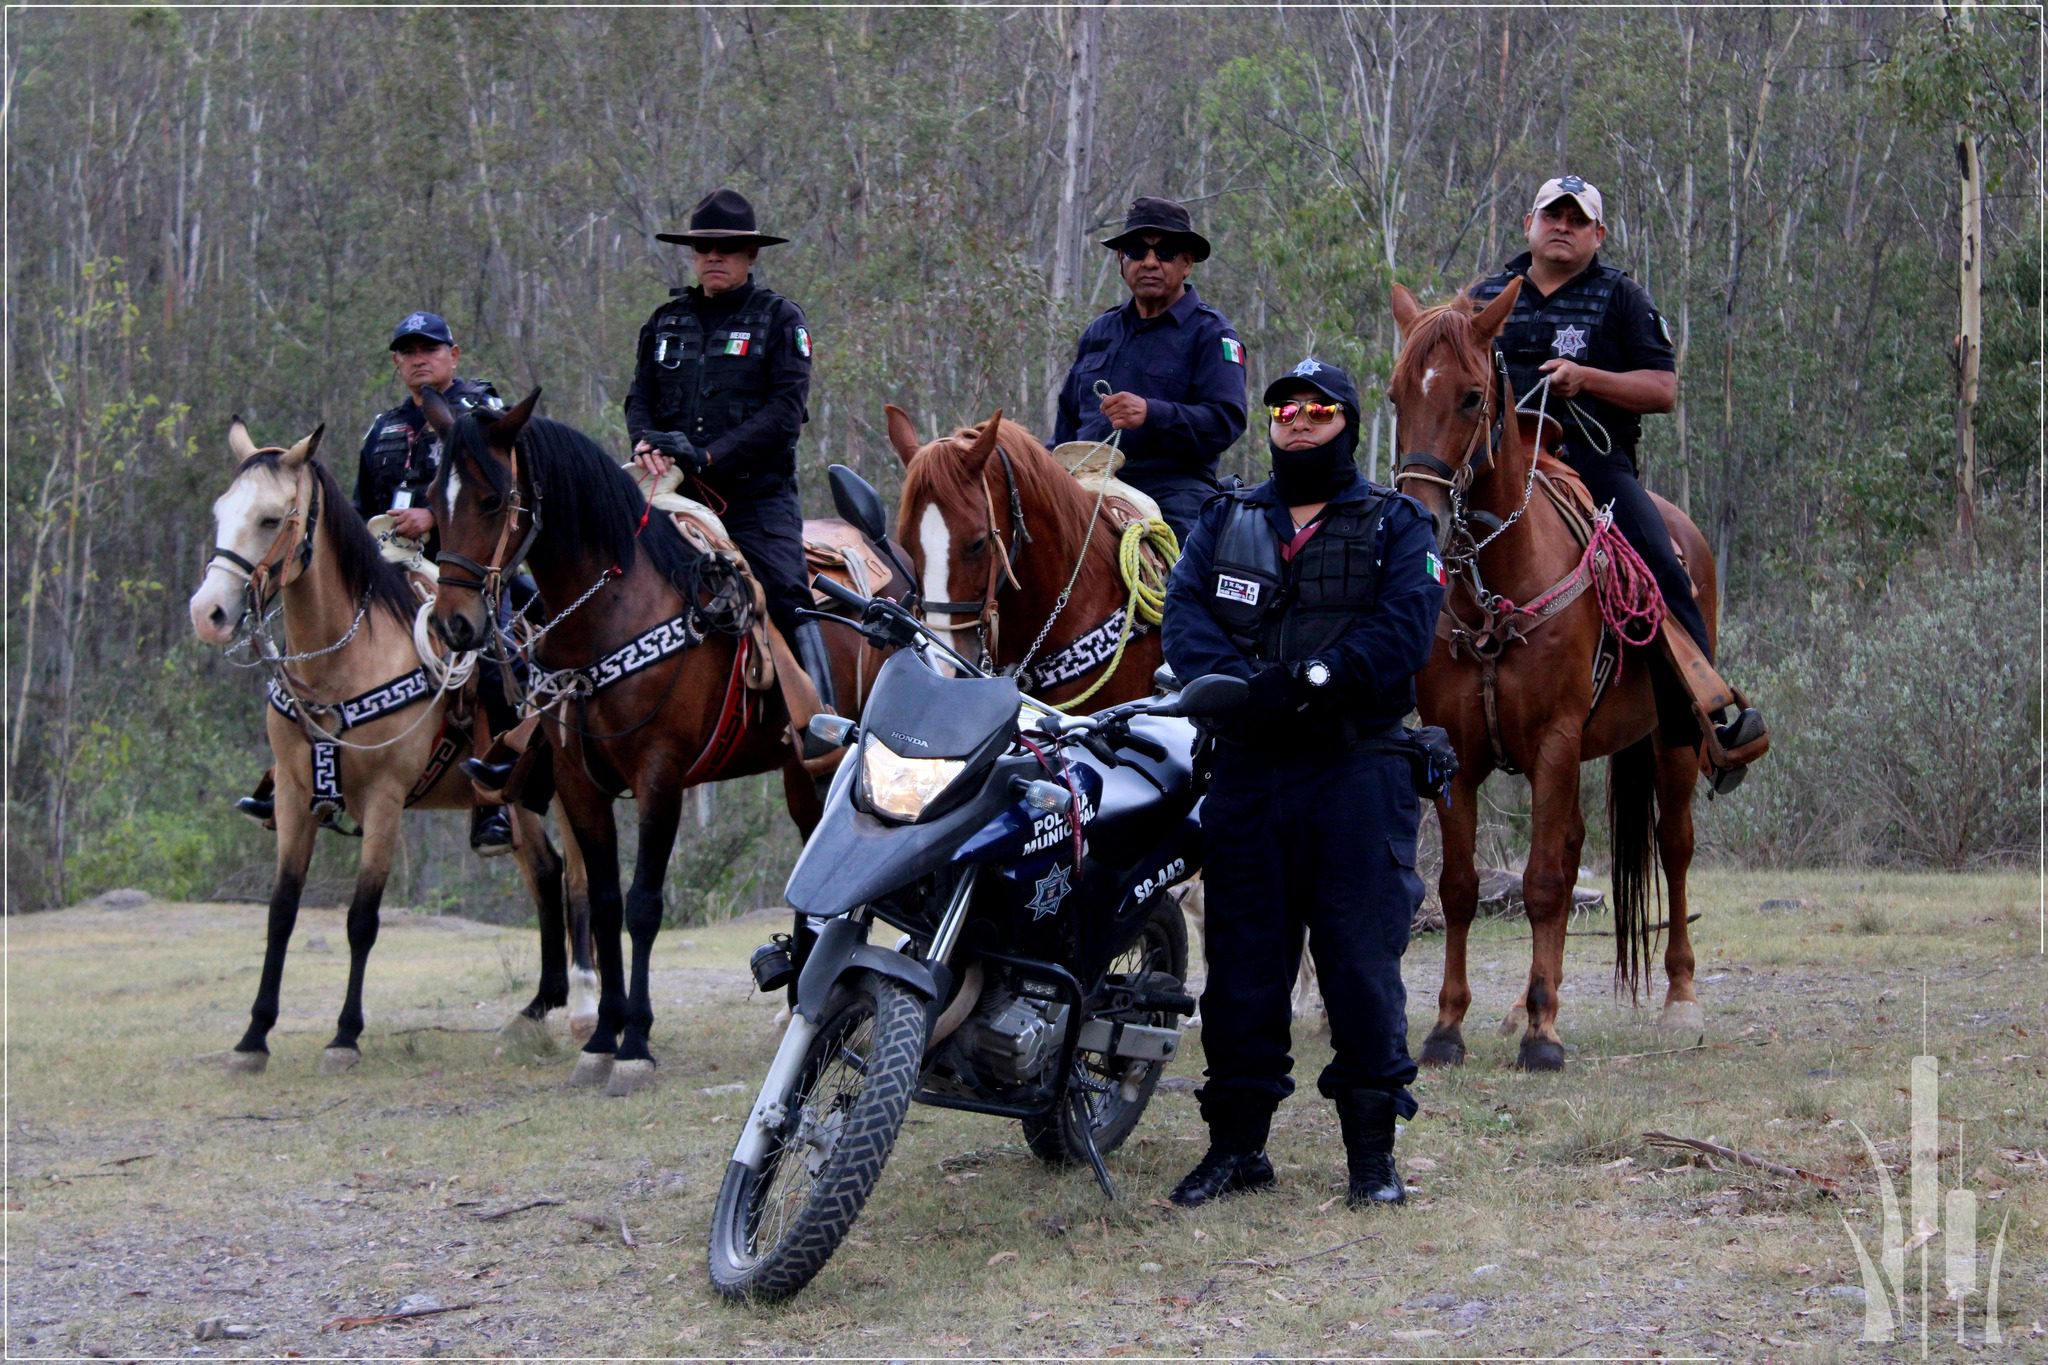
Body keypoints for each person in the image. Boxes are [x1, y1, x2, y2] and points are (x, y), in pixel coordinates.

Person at [1161, 358, 1444, 1210]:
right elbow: (1185, 620)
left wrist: (1313, 680)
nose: (1298, 418)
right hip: (1250, 772)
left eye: (1319, 409)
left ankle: (1371, 1159)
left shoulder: (1400, 526)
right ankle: (1238, 1150)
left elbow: (1403, 635)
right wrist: (1248, 696)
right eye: (1285, 407)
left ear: (1349, 425)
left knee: (1360, 969)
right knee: (1243, 974)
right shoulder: (1226, 519)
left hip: (1356, 772)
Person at [1471, 175, 1766, 790]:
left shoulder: (1621, 296)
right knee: (1412, 542)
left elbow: (1661, 390)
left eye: (1577, 220)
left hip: (1591, 465)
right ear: (1529, 222)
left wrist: (1588, 378)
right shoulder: (1486, 296)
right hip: (1498, 471)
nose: (1563, 226)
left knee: (1660, 560)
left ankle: (1707, 716)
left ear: (1597, 234)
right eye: (1552, 214)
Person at [237, 310, 514, 855]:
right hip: (386, 568)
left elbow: (497, 495)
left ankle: (493, 800)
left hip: (461, 567)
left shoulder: (482, 413)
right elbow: (360, 508)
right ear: (396, 363)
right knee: (313, 647)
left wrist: (434, 520)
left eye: (429, 349)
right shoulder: (382, 430)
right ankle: (289, 777)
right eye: (408, 352)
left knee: (491, 653)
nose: (419, 359)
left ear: (453, 355)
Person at [624, 187, 836, 713]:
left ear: (751, 255)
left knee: (787, 594)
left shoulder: (781, 320)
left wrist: (709, 456)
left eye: (727, 247)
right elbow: (639, 399)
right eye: (703, 249)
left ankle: (826, 724)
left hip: (753, 501)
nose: (713, 257)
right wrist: (645, 441)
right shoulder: (663, 323)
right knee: (595, 576)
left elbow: (785, 413)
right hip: (670, 495)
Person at [1050, 196, 1248, 540]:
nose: (1150, 262)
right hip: (1082, 485)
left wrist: (1152, 414)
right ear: (1121, 260)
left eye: (1166, 252)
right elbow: (1067, 423)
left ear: (1187, 263)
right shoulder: (1100, 331)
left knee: (1184, 573)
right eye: (1137, 251)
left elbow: (1226, 421)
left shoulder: (1212, 333)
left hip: (1172, 491)